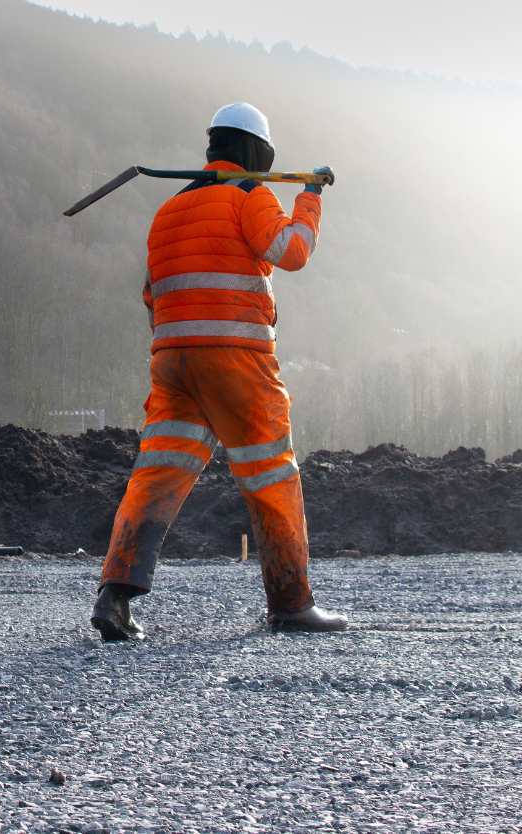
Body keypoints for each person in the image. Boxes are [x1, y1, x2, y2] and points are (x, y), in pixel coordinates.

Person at [91, 101, 347, 641]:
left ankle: (115, 598)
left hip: (172, 363)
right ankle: (292, 603)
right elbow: (291, 251)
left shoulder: (168, 212)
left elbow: (149, 293)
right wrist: (310, 198)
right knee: (271, 472)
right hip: (235, 360)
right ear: (258, 152)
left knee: (157, 472)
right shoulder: (250, 195)